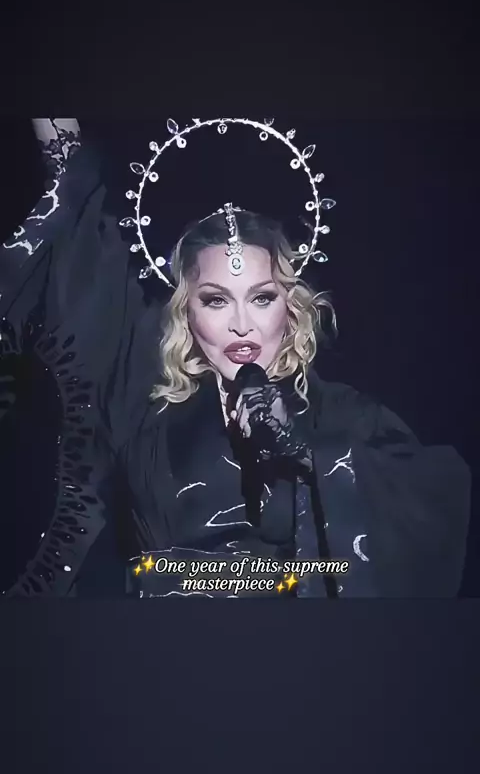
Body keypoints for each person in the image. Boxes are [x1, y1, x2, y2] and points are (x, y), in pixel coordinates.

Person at [0, 118, 471, 598]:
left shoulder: (349, 417)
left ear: (290, 306)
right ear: (185, 311)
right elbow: (82, 225)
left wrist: (307, 456)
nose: (242, 324)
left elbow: (436, 498)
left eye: (262, 297)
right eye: (216, 300)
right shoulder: (142, 408)